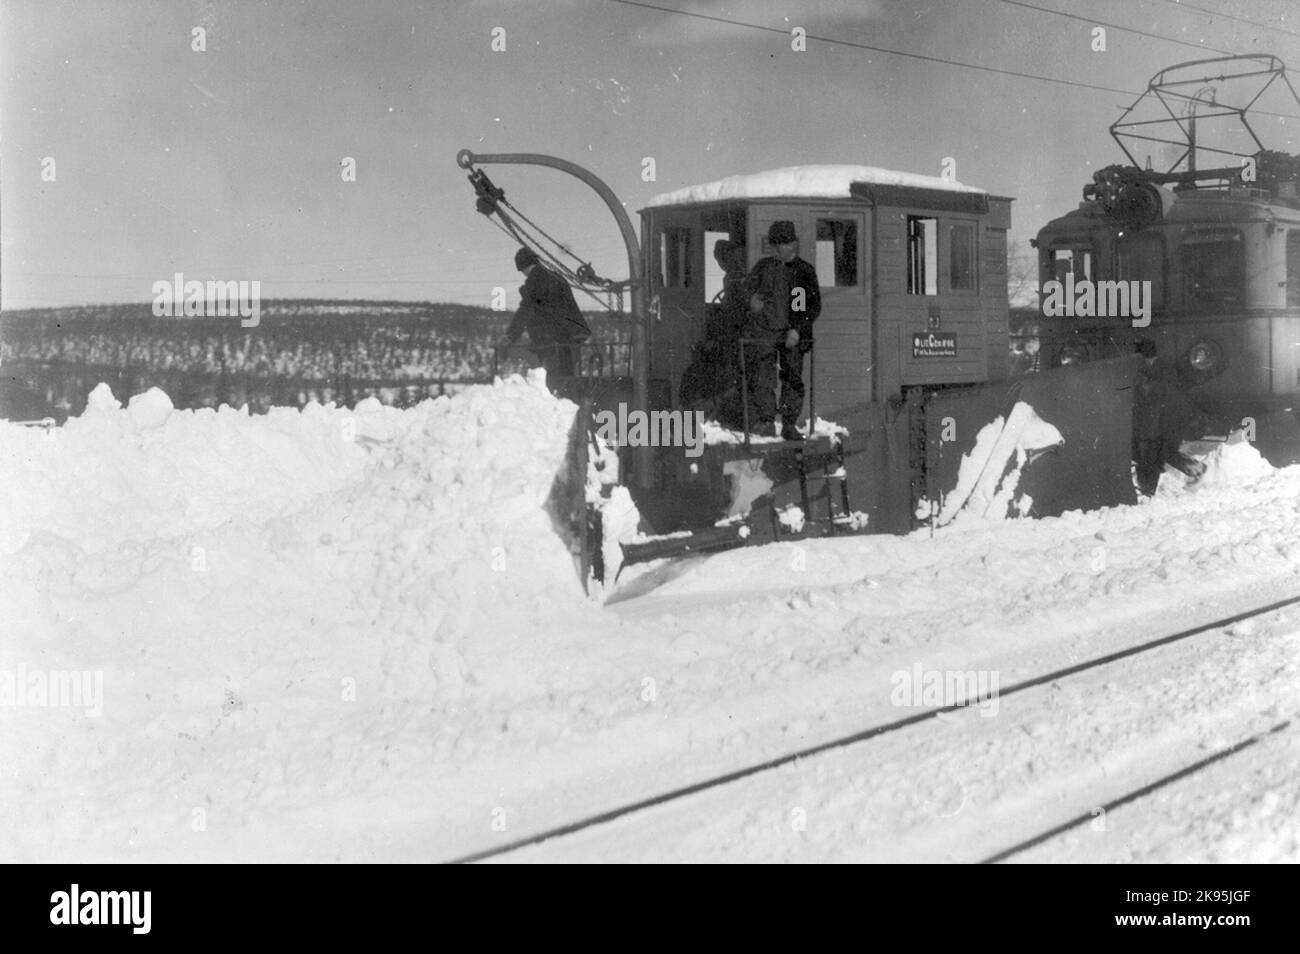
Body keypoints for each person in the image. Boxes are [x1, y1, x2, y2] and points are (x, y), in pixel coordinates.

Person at [740, 221, 821, 440]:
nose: (779, 249)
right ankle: (767, 422)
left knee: (792, 378)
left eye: (784, 244)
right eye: (775, 245)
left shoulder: (803, 272)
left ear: (794, 244)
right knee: (762, 377)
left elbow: (811, 307)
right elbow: (747, 290)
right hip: (765, 334)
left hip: (792, 336)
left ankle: (788, 425)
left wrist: (797, 330)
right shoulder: (763, 267)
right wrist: (751, 301)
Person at [501, 247, 591, 384]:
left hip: (553, 339)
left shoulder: (536, 280)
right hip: (569, 337)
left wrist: (510, 336)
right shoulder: (553, 276)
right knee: (567, 378)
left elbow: (525, 309)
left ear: (523, 267)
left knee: (555, 380)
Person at [1132, 338, 1205, 495]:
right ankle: (1147, 489)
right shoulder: (1156, 369)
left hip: (1172, 420)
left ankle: (1197, 469)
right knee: (1154, 453)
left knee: (1162, 452)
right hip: (1165, 420)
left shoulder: (1160, 371)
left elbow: (1159, 396)